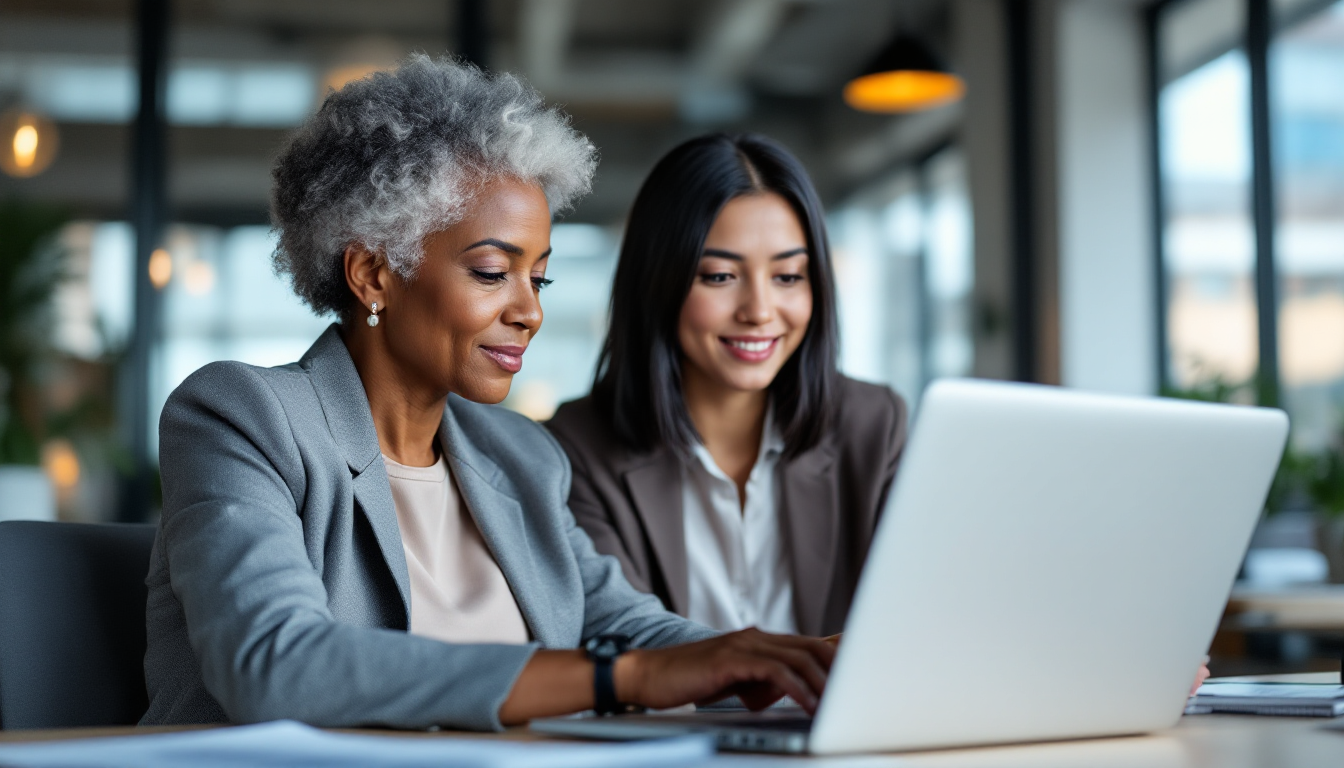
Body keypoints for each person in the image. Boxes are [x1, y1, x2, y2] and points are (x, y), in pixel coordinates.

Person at [141, 57, 835, 731]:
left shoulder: (521, 457)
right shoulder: (245, 418)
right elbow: (274, 664)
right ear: (373, 274)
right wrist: (617, 679)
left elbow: (625, 625)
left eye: (540, 277)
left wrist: (776, 661)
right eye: (492, 271)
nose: (529, 311)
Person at [545, 134, 908, 639]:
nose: (759, 311)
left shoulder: (876, 425)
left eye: (787, 276)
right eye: (719, 276)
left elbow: (915, 616)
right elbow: (620, 640)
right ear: (657, 282)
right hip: (669, 720)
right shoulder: (577, 448)